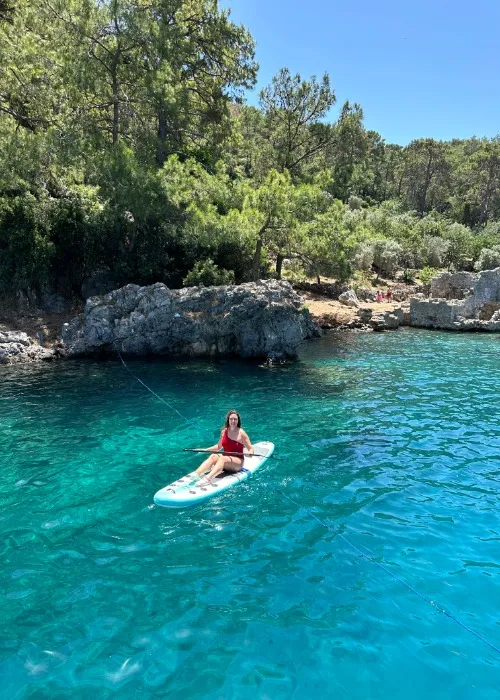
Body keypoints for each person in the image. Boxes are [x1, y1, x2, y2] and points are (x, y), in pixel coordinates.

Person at [191, 410, 253, 485]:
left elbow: (250, 448)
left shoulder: (242, 433)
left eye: (235, 419)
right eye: (231, 419)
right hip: (226, 460)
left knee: (223, 458)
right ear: (228, 420)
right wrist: (205, 450)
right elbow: (218, 446)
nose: (233, 421)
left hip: (237, 463)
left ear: (238, 420)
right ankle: (197, 474)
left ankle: (207, 479)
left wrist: (250, 453)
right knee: (214, 456)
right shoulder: (224, 431)